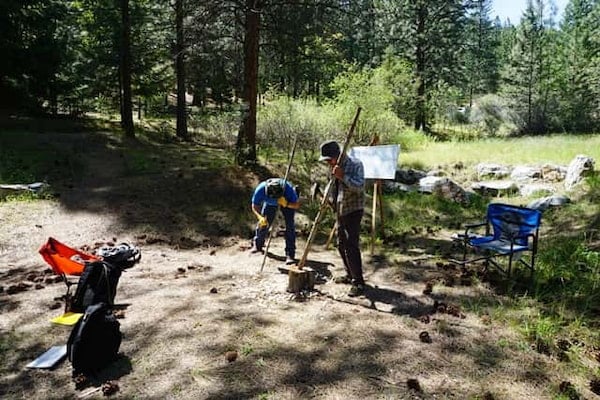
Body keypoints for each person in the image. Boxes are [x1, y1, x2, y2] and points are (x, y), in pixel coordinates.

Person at [319, 140, 366, 297]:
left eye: (328, 160)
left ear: (337, 156)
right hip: (340, 210)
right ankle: (350, 274)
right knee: (340, 244)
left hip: (353, 210)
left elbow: (359, 188)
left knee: (351, 245)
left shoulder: (355, 164)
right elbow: (332, 185)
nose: (327, 163)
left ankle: (358, 282)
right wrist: (326, 197)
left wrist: (343, 176)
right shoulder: (332, 167)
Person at [250, 178, 300, 265]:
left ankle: (290, 255)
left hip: (286, 202)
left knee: (290, 226)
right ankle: (258, 245)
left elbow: (296, 205)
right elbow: (254, 205)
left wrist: (287, 204)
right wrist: (260, 217)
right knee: (263, 223)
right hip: (269, 205)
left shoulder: (288, 189)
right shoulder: (261, 189)